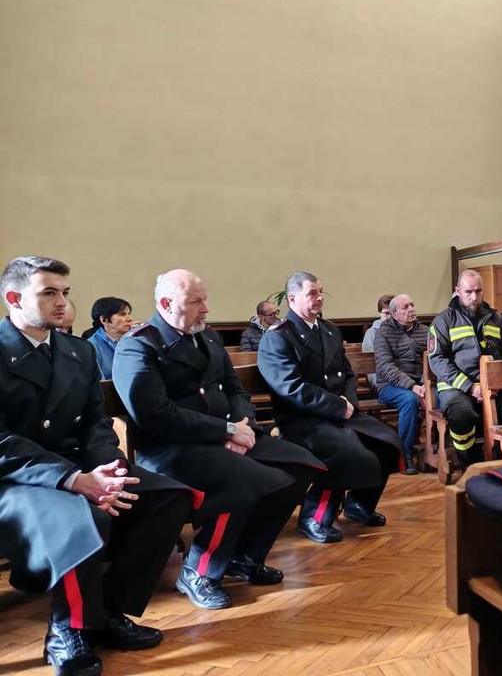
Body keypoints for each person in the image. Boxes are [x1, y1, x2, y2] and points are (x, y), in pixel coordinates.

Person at [0, 257, 192, 676]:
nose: (62, 302)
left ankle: (106, 611)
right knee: (82, 517)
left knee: (169, 498)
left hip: (80, 468)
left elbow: (94, 423)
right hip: (16, 478)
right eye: (49, 293)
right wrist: (73, 479)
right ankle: (67, 629)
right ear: (14, 298)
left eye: (65, 292)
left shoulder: (78, 350)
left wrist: (110, 469)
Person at [113, 269, 323, 610]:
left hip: (227, 436)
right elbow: (154, 414)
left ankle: (244, 556)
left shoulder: (208, 338)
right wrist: (224, 431)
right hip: (174, 448)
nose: (206, 309)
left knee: (301, 465)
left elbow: (236, 390)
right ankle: (199, 571)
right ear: (166, 303)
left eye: (205, 299)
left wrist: (242, 426)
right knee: (243, 480)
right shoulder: (138, 344)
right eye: (196, 302)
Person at [259, 272, 402, 543]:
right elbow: (291, 388)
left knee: (388, 440)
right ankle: (314, 517)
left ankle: (359, 504)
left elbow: (347, 374)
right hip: (301, 418)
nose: (319, 298)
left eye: (320, 292)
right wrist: (337, 406)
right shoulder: (278, 337)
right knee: (343, 449)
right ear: (292, 299)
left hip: (339, 412)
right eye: (312, 293)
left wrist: (349, 403)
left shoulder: (329, 330)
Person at [428, 270, 502, 467]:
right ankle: (470, 463)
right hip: (456, 386)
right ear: (457, 291)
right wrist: (470, 386)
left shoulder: (496, 319)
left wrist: (496, 383)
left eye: (478, 291)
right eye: (468, 292)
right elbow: (437, 360)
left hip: (495, 386)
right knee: (461, 415)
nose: (474, 297)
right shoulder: (443, 321)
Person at [374, 293, 430, 475]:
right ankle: (405, 454)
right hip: (390, 386)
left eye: (412, 305)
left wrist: (424, 383)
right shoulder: (383, 333)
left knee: (443, 396)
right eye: (405, 307)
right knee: (409, 400)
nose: (411, 309)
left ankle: (437, 449)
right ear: (394, 314)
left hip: (420, 383)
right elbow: (385, 367)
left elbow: (433, 360)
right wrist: (412, 386)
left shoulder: (425, 331)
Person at [84, 297, 134, 379]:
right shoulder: (92, 347)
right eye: (123, 314)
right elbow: (100, 383)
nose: (130, 319)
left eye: (129, 314)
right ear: (104, 320)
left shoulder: (133, 340)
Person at [362, 294, 394, 388]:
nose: (389, 317)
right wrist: (378, 384)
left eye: (392, 313)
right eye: (386, 313)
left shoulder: (403, 331)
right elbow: (369, 366)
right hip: (382, 382)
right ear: (380, 313)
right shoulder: (371, 333)